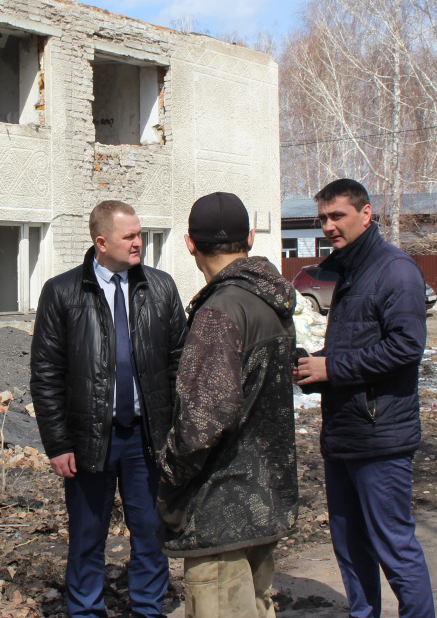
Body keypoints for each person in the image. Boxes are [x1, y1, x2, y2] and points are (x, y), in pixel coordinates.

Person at [30, 200, 187, 618]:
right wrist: (57, 442)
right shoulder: (62, 293)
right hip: (87, 441)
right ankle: (85, 611)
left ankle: (149, 608)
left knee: (150, 532)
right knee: (86, 535)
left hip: (145, 438)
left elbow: (178, 362)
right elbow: (45, 374)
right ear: (101, 243)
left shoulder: (162, 287)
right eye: (129, 237)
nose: (139, 243)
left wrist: (172, 432)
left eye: (140, 233)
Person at [295, 179, 435, 618]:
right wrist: (313, 367)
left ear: (366, 214)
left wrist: (331, 368)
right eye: (323, 218)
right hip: (345, 431)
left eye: (338, 216)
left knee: (393, 546)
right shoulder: (347, 269)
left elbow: (406, 347)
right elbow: (359, 344)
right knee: (351, 548)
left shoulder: (394, 269)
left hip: (382, 438)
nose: (329, 226)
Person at [156, 191, 300, 618]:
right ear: (251, 238)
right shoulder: (271, 302)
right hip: (264, 496)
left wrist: (166, 476)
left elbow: (201, 424)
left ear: (189, 243)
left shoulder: (220, 311)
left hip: (222, 510)